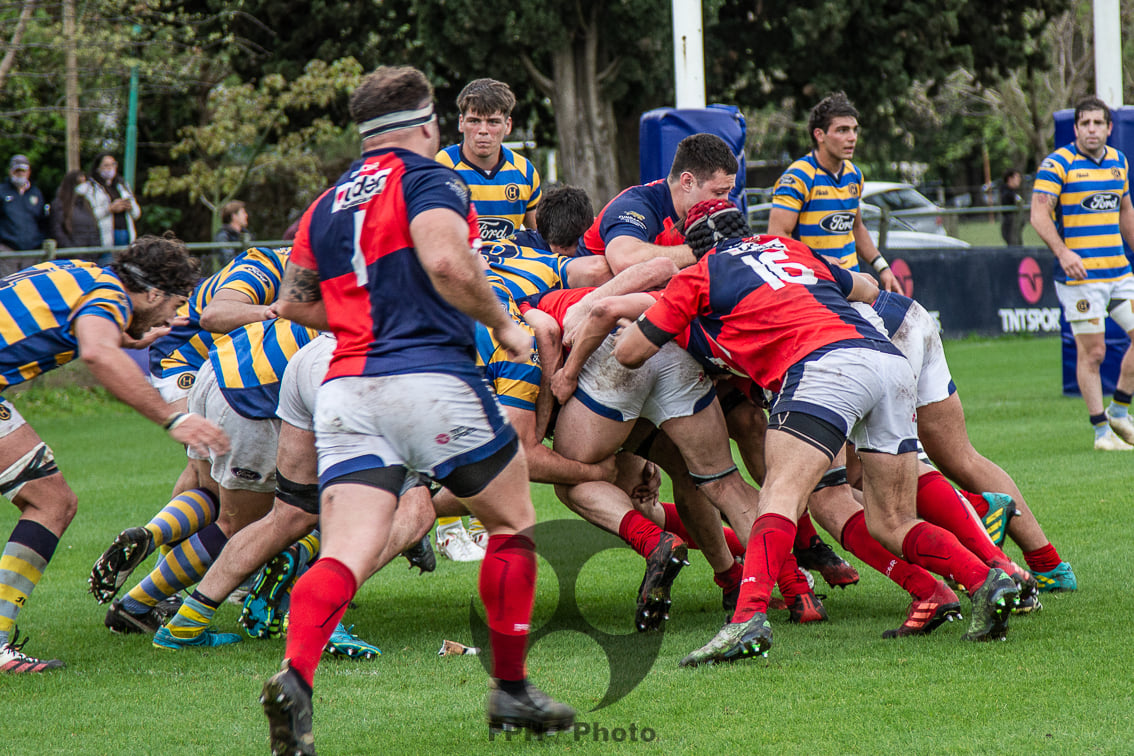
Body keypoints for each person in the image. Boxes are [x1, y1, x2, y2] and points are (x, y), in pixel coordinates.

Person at [261, 65, 573, 752]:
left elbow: (292, 300)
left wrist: (362, 318)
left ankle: (296, 680)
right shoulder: (431, 178)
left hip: (344, 389)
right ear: (430, 124)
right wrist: (506, 325)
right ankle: (512, 690)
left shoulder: (327, 203)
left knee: (345, 551)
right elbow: (449, 263)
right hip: (430, 376)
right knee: (514, 518)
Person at [614, 200, 1019, 666]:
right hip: (885, 360)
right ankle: (986, 580)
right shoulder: (788, 247)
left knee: (778, 496)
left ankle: (745, 621)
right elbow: (865, 286)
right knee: (889, 521)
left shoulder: (699, 275)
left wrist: (636, 321)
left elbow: (628, 354)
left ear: (696, 244)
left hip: (821, 368)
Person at [0, 235, 229, 673]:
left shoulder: (83, 273)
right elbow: (96, 351)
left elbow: (79, 326)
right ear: (152, 293)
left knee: (51, 500)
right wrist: (173, 418)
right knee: (51, 501)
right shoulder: (109, 296)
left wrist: (130, 339)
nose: (174, 315)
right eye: (175, 303)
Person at [1030, 96, 1134, 451]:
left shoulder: (1119, 163)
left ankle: (1119, 410)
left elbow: (1125, 212)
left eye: (1098, 123)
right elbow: (1038, 215)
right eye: (1085, 123)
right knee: (1095, 353)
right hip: (1081, 279)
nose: (1092, 129)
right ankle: (1101, 433)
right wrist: (1063, 251)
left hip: (1119, 272)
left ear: (1109, 127)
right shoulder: (1058, 164)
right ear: (1075, 129)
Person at [767, 92, 902, 294]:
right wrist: (817, 260)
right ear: (819, 135)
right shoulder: (798, 177)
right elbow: (776, 236)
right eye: (842, 130)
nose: (852, 138)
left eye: (855, 130)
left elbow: (857, 228)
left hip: (853, 283)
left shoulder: (854, 175)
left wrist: (882, 267)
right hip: (814, 286)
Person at [580, 133, 737, 273]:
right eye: (719, 193)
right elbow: (624, 261)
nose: (725, 202)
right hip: (581, 298)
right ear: (688, 182)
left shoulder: (700, 217)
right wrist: (703, 250)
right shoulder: (635, 205)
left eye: (729, 192)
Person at [436, 78, 541, 241]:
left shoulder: (524, 171)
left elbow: (541, 237)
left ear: (508, 125)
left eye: (493, 122)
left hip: (509, 265)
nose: (483, 130)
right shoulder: (441, 168)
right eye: (474, 121)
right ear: (461, 123)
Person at [81, 152, 141, 251]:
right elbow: (87, 216)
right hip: (104, 239)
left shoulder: (122, 186)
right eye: (106, 165)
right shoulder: (89, 188)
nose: (110, 168)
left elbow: (137, 214)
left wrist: (130, 207)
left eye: (113, 164)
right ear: (97, 168)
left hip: (126, 235)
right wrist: (109, 209)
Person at [0, 154, 49, 254]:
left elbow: (43, 221)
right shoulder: (1, 191)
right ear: (10, 171)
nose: (20, 174)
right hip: (7, 251)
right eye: (17, 171)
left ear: (29, 172)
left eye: (23, 171)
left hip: (33, 252)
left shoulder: (36, 193)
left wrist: (41, 241)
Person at [49, 170, 101, 249]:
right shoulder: (60, 204)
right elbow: (57, 231)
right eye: (80, 183)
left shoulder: (86, 203)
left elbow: (95, 229)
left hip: (90, 255)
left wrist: (95, 249)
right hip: (72, 254)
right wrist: (70, 249)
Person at [214, 200, 253, 266]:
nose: (246, 215)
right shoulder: (223, 235)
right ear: (234, 216)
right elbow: (228, 260)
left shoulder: (246, 234)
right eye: (243, 213)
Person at [999, 169, 1024, 246]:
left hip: (1014, 226)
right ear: (1010, 179)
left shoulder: (1012, 192)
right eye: (1017, 177)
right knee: (1014, 247)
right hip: (1010, 225)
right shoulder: (1007, 193)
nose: (1019, 180)